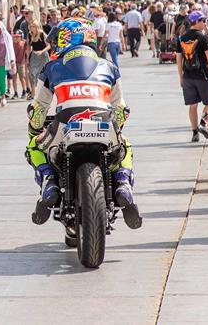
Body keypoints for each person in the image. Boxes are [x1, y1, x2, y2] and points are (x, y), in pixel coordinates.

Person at [26, 18, 142, 229]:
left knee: (34, 144)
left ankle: (50, 181)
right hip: (104, 123)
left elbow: (39, 108)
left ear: (66, 39)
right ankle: (123, 183)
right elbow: (120, 108)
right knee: (125, 147)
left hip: (65, 124)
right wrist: (117, 129)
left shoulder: (52, 67)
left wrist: (34, 129)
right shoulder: (110, 66)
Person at [176, 11, 208, 143]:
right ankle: (203, 123)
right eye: (203, 21)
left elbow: (179, 60)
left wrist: (181, 77)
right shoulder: (203, 37)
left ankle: (195, 132)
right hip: (203, 75)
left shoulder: (182, 38)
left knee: (192, 105)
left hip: (188, 76)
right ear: (197, 22)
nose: (204, 23)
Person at [26, 20, 50, 99]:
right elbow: (28, 48)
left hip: (43, 56)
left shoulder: (42, 34)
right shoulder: (29, 35)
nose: (32, 28)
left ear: (37, 27)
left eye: (34, 26)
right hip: (34, 56)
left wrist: (42, 51)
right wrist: (27, 59)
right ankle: (33, 93)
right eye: (31, 26)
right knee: (31, 74)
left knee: (43, 75)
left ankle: (44, 93)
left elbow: (49, 46)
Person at [12, 31, 27, 99]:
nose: (16, 38)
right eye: (15, 37)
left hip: (21, 63)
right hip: (14, 63)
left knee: (22, 78)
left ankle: (24, 91)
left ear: (20, 37)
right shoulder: (12, 44)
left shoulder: (23, 43)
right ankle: (15, 92)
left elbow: (28, 49)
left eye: (18, 37)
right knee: (14, 78)